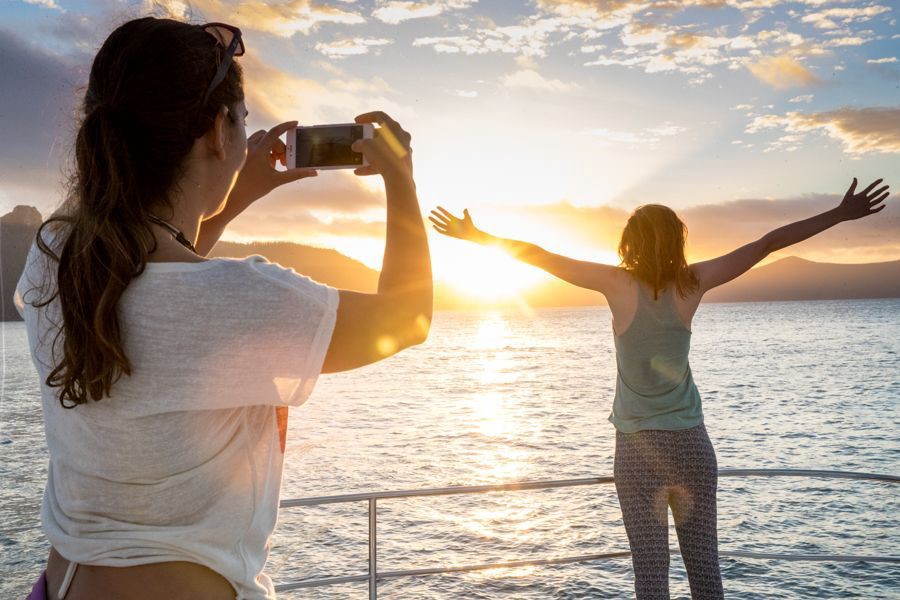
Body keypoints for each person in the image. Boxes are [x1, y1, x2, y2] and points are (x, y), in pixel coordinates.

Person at [15, 17, 431, 600]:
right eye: (242, 123)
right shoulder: (241, 299)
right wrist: (400, 179)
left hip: (61, 586)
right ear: (217, 132)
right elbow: (407, 318)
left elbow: (151, 283)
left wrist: (237, 193)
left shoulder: (55, 257)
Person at [429, 176, 889, 599]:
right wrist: (838, 214)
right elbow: (767, 243)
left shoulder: (614, 282)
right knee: (705, 573)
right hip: (691, 443)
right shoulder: (694, 281)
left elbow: (540, 256)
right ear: (677, 241)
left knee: (650, 574)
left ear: (630, 241)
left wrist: (479, 238)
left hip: (636, 450)